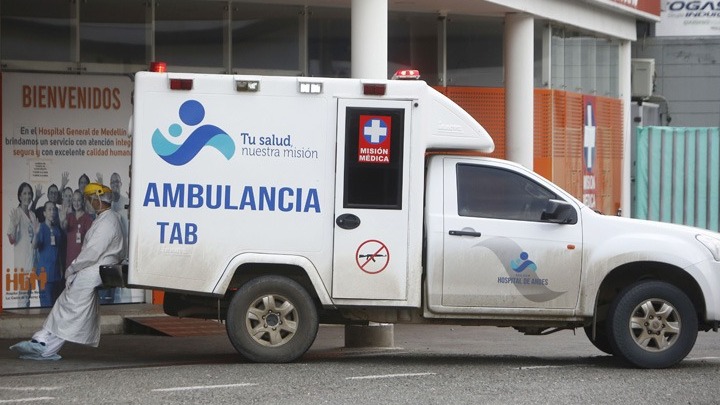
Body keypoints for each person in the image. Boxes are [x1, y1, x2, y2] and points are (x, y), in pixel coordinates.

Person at [9, 183, 125, 360]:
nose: (88, 203)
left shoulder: (108, 221)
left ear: (97, 199)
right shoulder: (104, 218)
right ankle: (43, 339)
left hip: (94, 269)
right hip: (92, 268)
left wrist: (72, 269)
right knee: (67, 304)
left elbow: (92, 252)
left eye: (89, 199)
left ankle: (44, 345)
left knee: (69, 305)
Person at [6, 182, 38, 308]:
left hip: (32, 263)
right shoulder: (16, 214)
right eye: (24, 193)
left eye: (29, 193)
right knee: (22, 299)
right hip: (22, 264)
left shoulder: (32, 215)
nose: (27, 196)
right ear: (19, 196)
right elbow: (11, 240)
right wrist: (14, 225)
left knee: (28, 297)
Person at [33, 201, 64, 307]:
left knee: (55, 307)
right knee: (46, 307)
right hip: (44, 274)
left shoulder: (57, 230)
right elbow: (34, 246)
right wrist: (36, 234)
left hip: (56, 275)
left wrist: (61, 269)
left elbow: (58, 251)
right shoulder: (41, 228)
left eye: (54, 209)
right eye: (49, 209)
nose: (52, 212)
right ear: (44, 213)